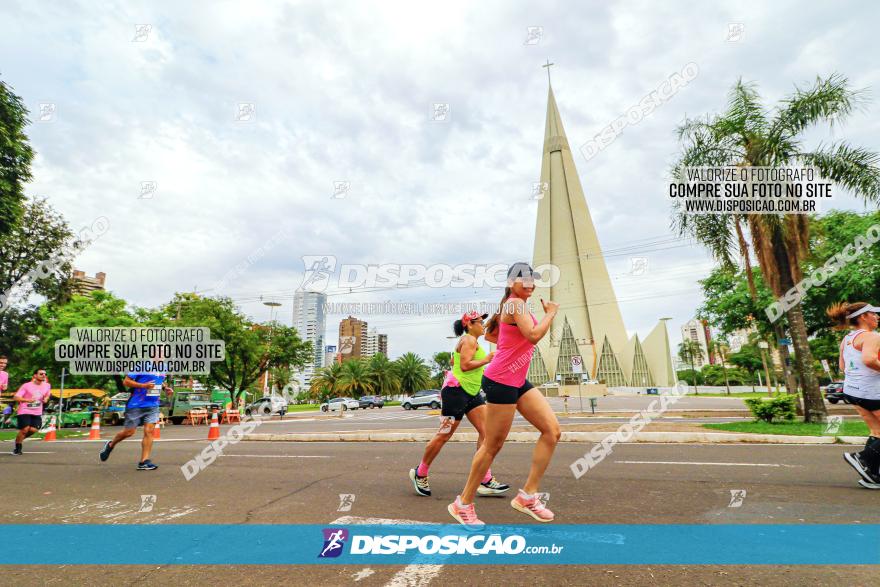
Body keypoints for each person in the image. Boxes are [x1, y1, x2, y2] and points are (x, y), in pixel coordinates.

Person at [448, 263, 560, 527]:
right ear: (511, 282)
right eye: (526, 280)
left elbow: (492, 333)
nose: (531, 285)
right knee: (492, 445)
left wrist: (510, 347)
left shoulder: (512, 305)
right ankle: (462, 504)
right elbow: (533, 336)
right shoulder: (515, 304)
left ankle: (527, 497)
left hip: (517, 379)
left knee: (552, 431)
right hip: (501, 381)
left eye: (534, 281)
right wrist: (551, 314)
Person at [409, 311, 510, 497]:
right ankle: (420, 472)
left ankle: (484, 478)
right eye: (480, 321)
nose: (483, 324)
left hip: (471, 393)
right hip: (456, 393)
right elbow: (464, 365)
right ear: (470, 324)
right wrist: (487, 359)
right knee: (444, 435)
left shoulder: (471, 341)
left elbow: (454, 361)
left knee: (487, 433)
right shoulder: (469, 340)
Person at [828, 302, 880, 488]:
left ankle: (872, 475)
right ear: (863, 316)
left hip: (852, 391)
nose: (877, 317)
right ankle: (862, 458)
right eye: (874, 314)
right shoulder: (872, 336)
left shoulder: (847, 339)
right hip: (872, 393)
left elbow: (842, 366)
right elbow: (869, 359)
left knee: (877, 431)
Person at [99, 370, 168, 470]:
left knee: (149, 432)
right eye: (159, 353)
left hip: (153, 405)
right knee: (129, 432)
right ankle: (110, 444)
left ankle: (144, 461)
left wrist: (166, 388)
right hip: (136, 405)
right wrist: (144, 385)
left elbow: (159, 381)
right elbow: (126, 382)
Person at [11, 368, 52, 455]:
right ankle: (18, 448)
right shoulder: (26, 385)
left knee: (33, 430)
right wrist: (27, 400)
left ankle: (19, 439)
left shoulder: (47, 385)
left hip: (37, 411)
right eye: (41, 374)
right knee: (25, 429)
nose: (44, 375)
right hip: (24, 410)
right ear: (35, 375)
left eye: (45, 374)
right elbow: (16, 397)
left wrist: (46, 398)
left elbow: (48, 394)